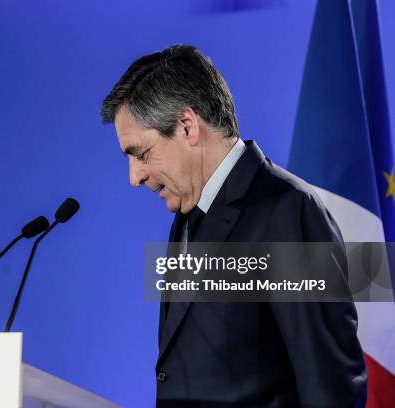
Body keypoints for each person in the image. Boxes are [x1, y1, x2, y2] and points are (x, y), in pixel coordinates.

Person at [101, 45, 367, 407]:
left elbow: (330, 385)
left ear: (187, 126)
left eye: (141, 153)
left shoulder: (287, 210)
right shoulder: (187, 215)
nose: (134, 177)